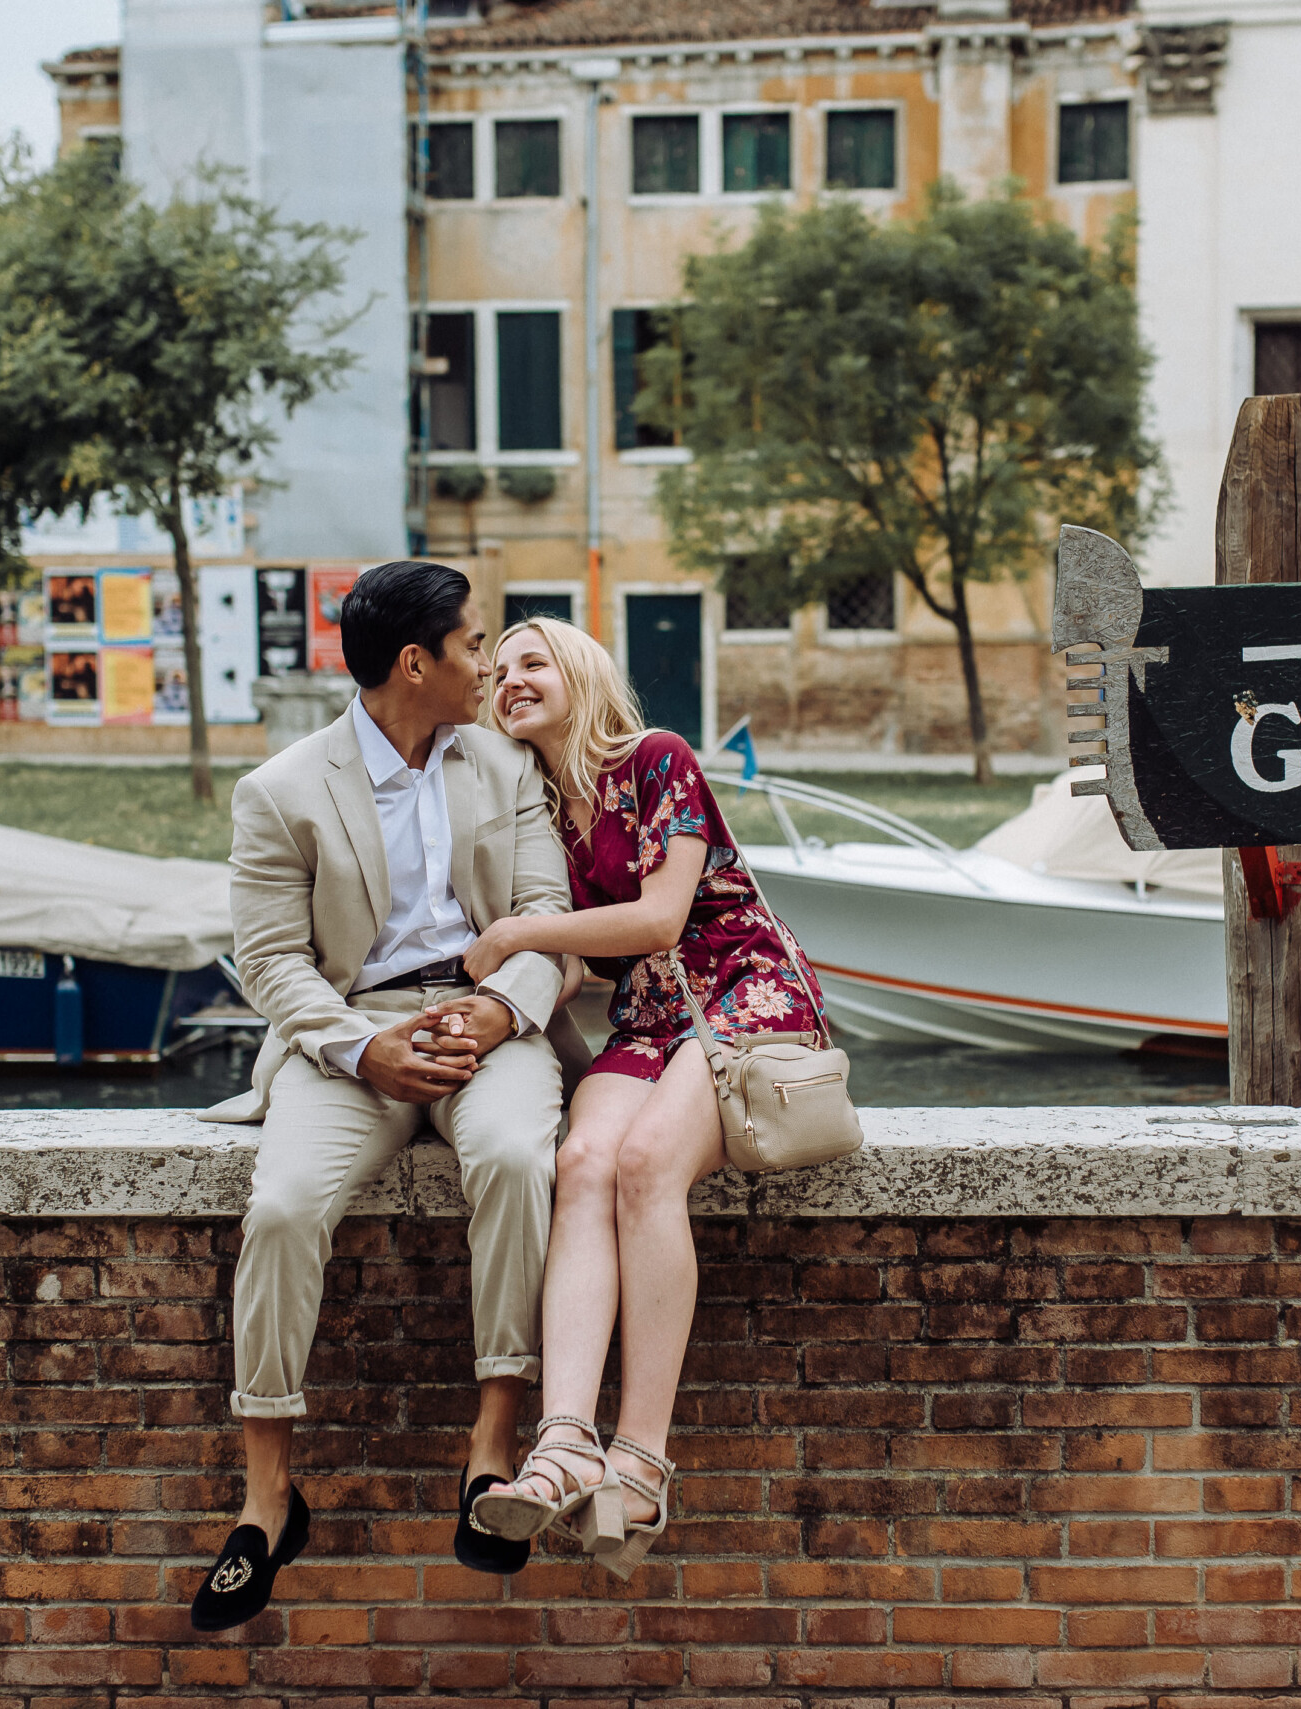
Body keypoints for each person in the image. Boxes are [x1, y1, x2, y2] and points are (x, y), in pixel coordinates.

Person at [188, 560, 572, 1631]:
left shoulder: (506, 766)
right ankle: (268, 1494)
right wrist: (364, 1050)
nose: (488, 660)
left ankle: (491, 1443)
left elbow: (547, 917)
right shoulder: (282, 789)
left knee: (510, 1158)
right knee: (279, 1208)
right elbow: (270, 963)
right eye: (473, 642)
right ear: (418, 662)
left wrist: (498, 1012)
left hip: (488, 1017)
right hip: (348, 1037)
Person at [465, 616, 828, 1580]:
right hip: (649, 1016)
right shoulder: (539, 805)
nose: (510, 680)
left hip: (740, 997)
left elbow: (664, 914)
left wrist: (513, 931)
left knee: (643, 1163)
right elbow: (583, 962)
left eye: (531, 661)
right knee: (579, 1161)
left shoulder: (655, 760)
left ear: (579, 671)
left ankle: (641, 1460)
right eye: (497, 673)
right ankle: (563, 1447)